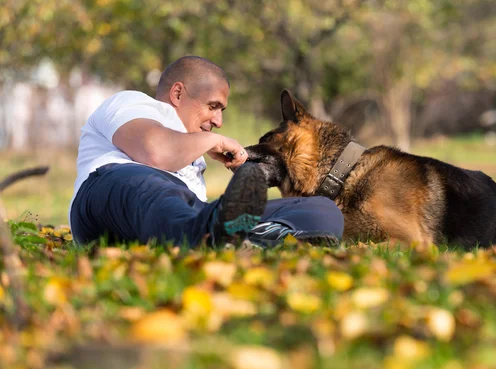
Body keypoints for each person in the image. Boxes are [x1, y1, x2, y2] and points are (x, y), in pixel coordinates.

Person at [69, 56, 344, 248]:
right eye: (213, 106)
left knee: (322, 210)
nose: (218, 121)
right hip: (109, 195)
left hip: (178, 218)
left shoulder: (193, 155)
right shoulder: (132, 102)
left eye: (221, 111)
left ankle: (251, 238)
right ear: (178, 94)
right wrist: (213, 142)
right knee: (154, 189)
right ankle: (206, 237)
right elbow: (154, 151)